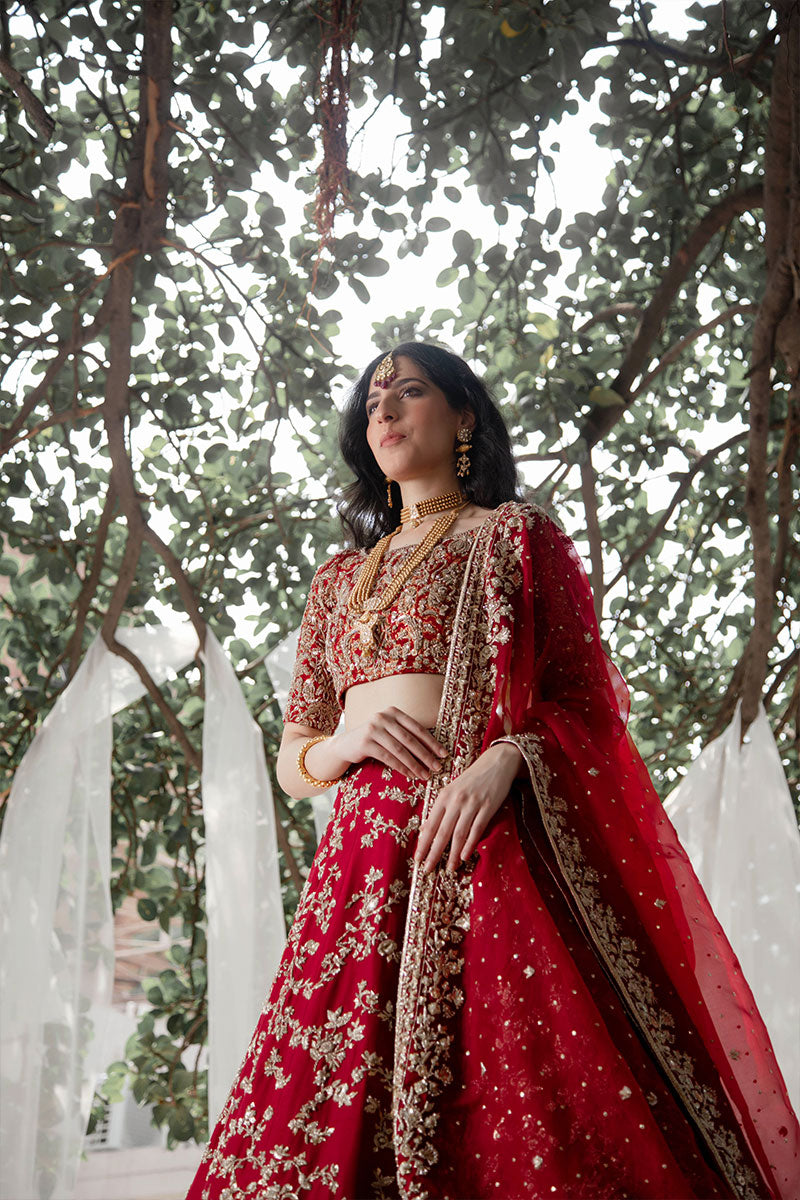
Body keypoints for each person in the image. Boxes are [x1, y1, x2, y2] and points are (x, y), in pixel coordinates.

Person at [186, 344, 799, 1200]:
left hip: (488, 844)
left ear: (464, 416)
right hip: (360, 880)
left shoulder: (515, 537)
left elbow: (588, 702)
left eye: (410, 392)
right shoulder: (336, 582)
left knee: (528, 1098)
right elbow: (297, 761)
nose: (386, 412)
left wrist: (506, 760)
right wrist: (350, 741)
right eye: (372, 405)